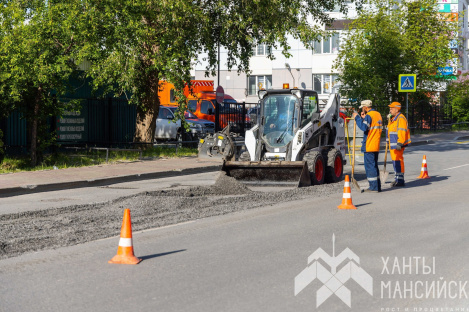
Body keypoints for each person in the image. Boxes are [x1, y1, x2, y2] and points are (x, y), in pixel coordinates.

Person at [352, 100, 383, 193]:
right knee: (374, 166)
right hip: (375, 144)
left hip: (369, 144)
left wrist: (357, 117)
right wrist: (363, 118)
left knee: (370, 167)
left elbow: (364, 127)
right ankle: (377, 186)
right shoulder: (377, 114)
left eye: (362, 107)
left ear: (365, 107)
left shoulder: (369, 115)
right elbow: (369, 126)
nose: (362, 109)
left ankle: (373, 187)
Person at [387, 102, 411, 187]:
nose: (390, 110)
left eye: (391, 108)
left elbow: (401, 131)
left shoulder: (400, 118)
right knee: (395, 162)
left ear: (397, 109)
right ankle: (397, 179)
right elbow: (389, 130)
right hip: (393, 144)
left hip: (397, 144)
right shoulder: (394, 119)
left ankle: (400, 180)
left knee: (398, 161)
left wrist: (400, 143)